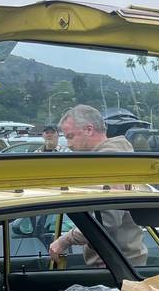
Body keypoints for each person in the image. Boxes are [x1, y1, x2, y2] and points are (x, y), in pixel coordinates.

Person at [48, 105, 148, 268]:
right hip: (124, 262)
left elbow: (107, 221)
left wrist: (64, 241)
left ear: (89, 129)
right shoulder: (117, 157)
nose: (69, 144)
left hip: (115, 266)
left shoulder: (105, 163)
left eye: (71, 136)